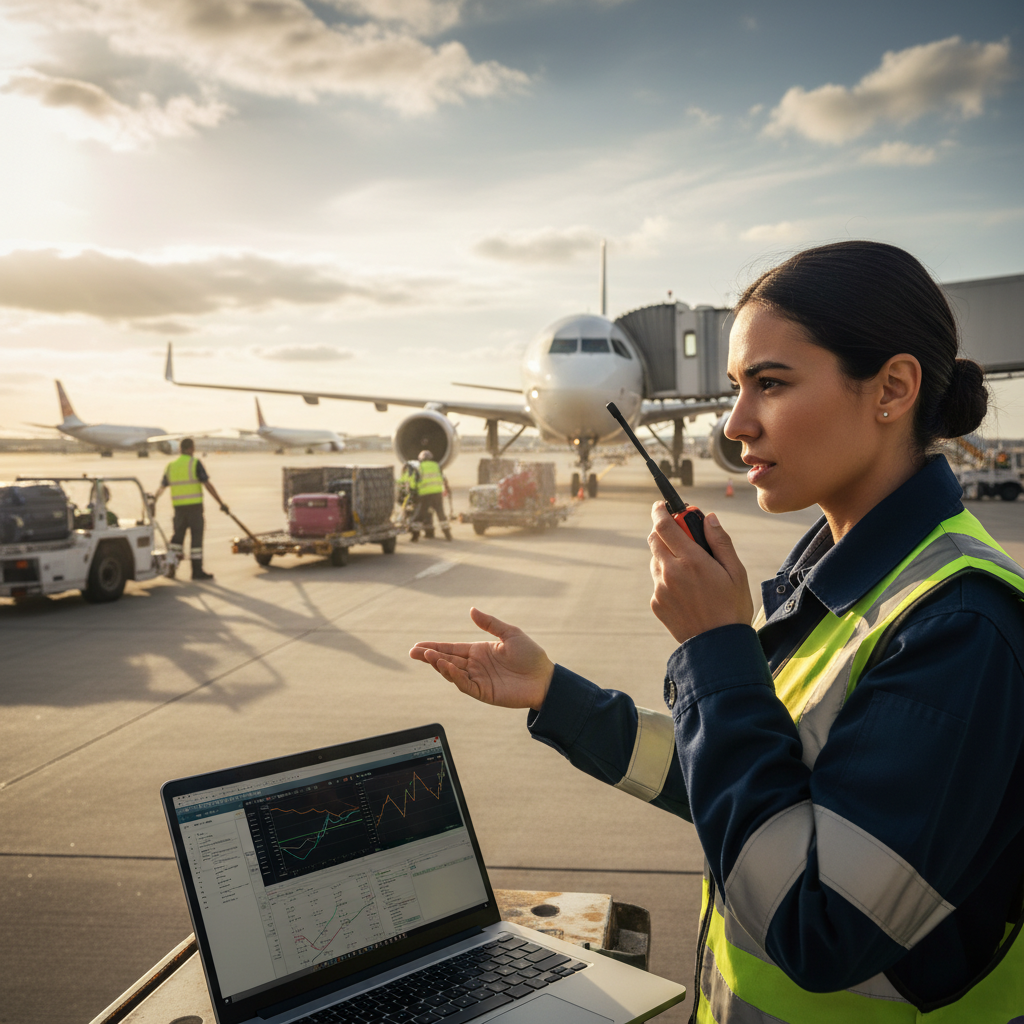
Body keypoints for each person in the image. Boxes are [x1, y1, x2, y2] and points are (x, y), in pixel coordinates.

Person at [411, 242, 1024, 1021]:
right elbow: (762, 789)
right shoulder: (840, 578)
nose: (735, 426)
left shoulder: (956, 625)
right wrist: (557, 697)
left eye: (770, 384)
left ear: (892, 389)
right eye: (736, 388)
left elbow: (819, 928)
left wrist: (715, 651)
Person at [152, 438, 229, 580]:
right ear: (191, 448)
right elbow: (207, 484)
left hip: (179, 510)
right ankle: (196, 571)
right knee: (196, 542)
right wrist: (221, 503)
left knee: (177, 539)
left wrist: (153, 501)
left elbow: (162, 487)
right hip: (194, 509)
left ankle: (171, 568)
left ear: (180, 449)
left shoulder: (171, 465)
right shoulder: (195, 463)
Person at [411, 449, 452, 542]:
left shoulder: (419, 467)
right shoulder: (437, 466)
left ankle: (415, 536)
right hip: (437, 494)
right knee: (441, 514)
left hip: (424, 495)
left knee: (419, 516)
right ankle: (448, 535)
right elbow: (443, 478)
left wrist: (413, 491)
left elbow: (414, 482)